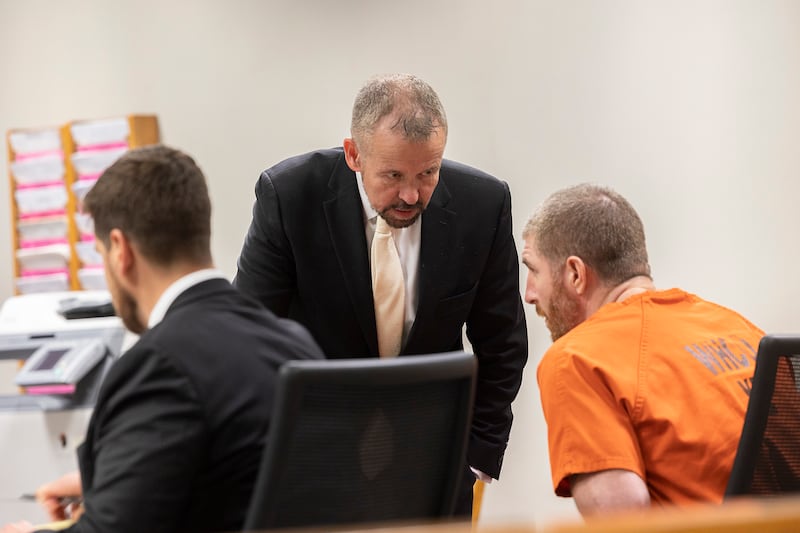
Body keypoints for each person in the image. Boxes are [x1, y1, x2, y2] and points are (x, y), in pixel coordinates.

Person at [233, 73, 528, 514]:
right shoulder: (290, 196)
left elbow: (502, 342)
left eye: (428, 172)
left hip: (436, 458)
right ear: (353, 154)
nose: (411, 193)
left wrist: (476, 457)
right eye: (392, 175)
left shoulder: (482, 204)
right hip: (314, 453)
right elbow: (249, 337)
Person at [2, 145, 323, 533]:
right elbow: (231, 481)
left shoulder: (159, 363)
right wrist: (108, 483)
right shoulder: (294, 344)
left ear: (120, 251)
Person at [522, 183, 764, 516]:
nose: (529, 293)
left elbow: (622, 518)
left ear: (576, 274)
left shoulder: (576, 359)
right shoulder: (741, 330)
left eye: (533, 270)